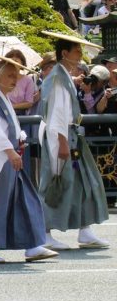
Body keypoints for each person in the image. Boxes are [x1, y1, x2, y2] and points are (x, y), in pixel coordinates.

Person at [0, 55, 56, 264]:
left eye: (16, 75)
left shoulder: (2, 98)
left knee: (22, 202)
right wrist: (10, 151)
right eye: (10, 75)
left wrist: (19, 140)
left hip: (8, 160)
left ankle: (32, 245)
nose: (15, 79)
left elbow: (7, 128)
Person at [37, 31, 109, 251]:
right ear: (64, 53)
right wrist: (62, 142)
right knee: (56, 181)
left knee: (82, 182)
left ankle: (85, 230)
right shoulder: (58, 78)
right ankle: (44, 231)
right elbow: (57, 112)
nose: (79, 55)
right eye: (76, 51)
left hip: (69, 134)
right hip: (62, 135)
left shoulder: (63, 76)